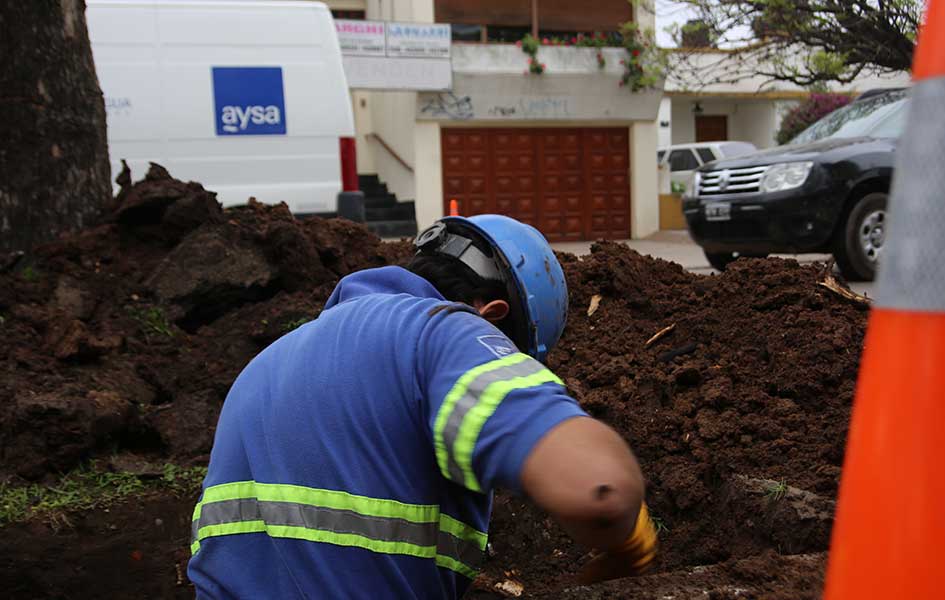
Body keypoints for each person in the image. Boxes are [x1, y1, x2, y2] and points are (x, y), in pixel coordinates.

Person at [187, 214, 656, 599]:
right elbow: (600, 492)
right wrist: (626, 535)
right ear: (492, 316)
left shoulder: (263, 366)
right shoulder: (449, 334)